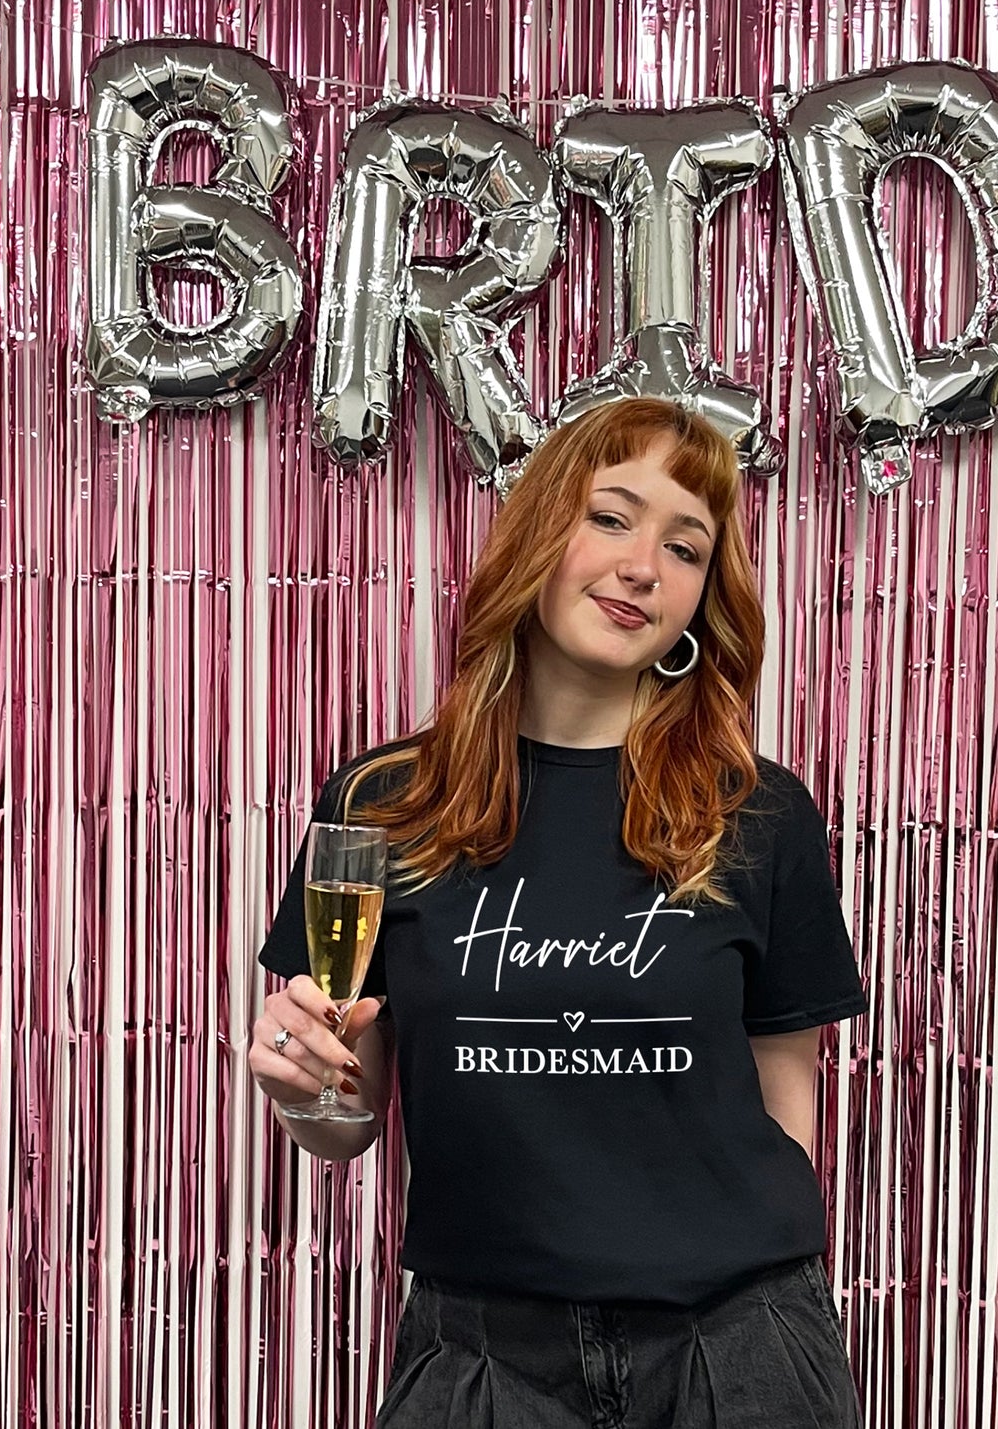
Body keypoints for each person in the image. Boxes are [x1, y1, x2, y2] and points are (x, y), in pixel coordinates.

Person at [249, 397, 870, 1427]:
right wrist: (308, 1092)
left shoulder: (757, 810)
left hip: (737, 1347)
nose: (643, 567)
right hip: (482, 1355)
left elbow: (785, 1105)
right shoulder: (379, 805)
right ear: (538, 531)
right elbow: (347, 1107)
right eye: (612, 516)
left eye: (685, 547)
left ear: (698, 602)